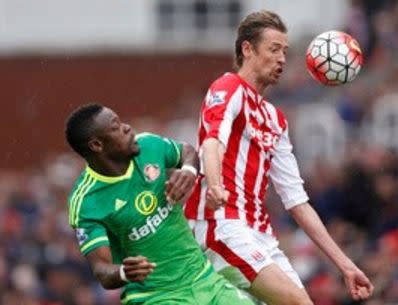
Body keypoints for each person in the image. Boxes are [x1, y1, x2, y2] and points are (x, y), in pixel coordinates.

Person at [184, 10, 374, 305]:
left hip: (261, 236)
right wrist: (215, 183)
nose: (282, 59)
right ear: (247, 49)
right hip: (221, 225)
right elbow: (212, 142)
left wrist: (345, 265)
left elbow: (297, 202)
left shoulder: (275, 119)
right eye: (274, 49)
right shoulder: (228, 88)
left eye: (285, 52)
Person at [65, 103, 255, 305]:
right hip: (156, 297)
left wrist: (189, 171)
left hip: (204, 278)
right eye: (116, 127)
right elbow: (101, 269)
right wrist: (123, 272)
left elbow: (186, 151)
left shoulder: (148, 145)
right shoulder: (87, 200)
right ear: (97, 145)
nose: (127, 127)